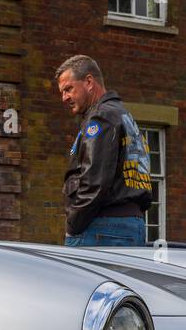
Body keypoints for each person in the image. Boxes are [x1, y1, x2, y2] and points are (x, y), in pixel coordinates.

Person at [54, 55, 152, 247]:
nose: (64, 98)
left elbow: (94, 181)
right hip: (133, 225)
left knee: (83, 278)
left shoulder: (101, 118)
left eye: (68, 89)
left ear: (89, 81)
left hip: (102, 227)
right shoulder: (124, 117)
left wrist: (73, 226)